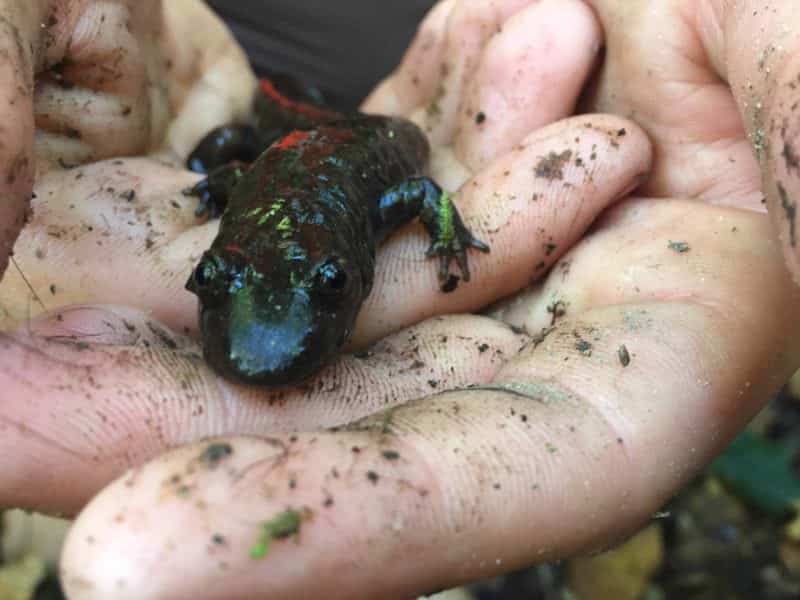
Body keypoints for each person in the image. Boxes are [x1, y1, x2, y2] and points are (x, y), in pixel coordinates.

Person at [0, 0, 796, 598]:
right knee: (245, 150)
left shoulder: (372, 201)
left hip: (372, 139)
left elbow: (419, 188)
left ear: (354, 256)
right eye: (214, 279)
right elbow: (240, 177)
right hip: (276, 112)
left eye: (332, 287)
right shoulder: (248, 191)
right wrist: (218, 186)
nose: (263, 341)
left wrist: (449, 233)